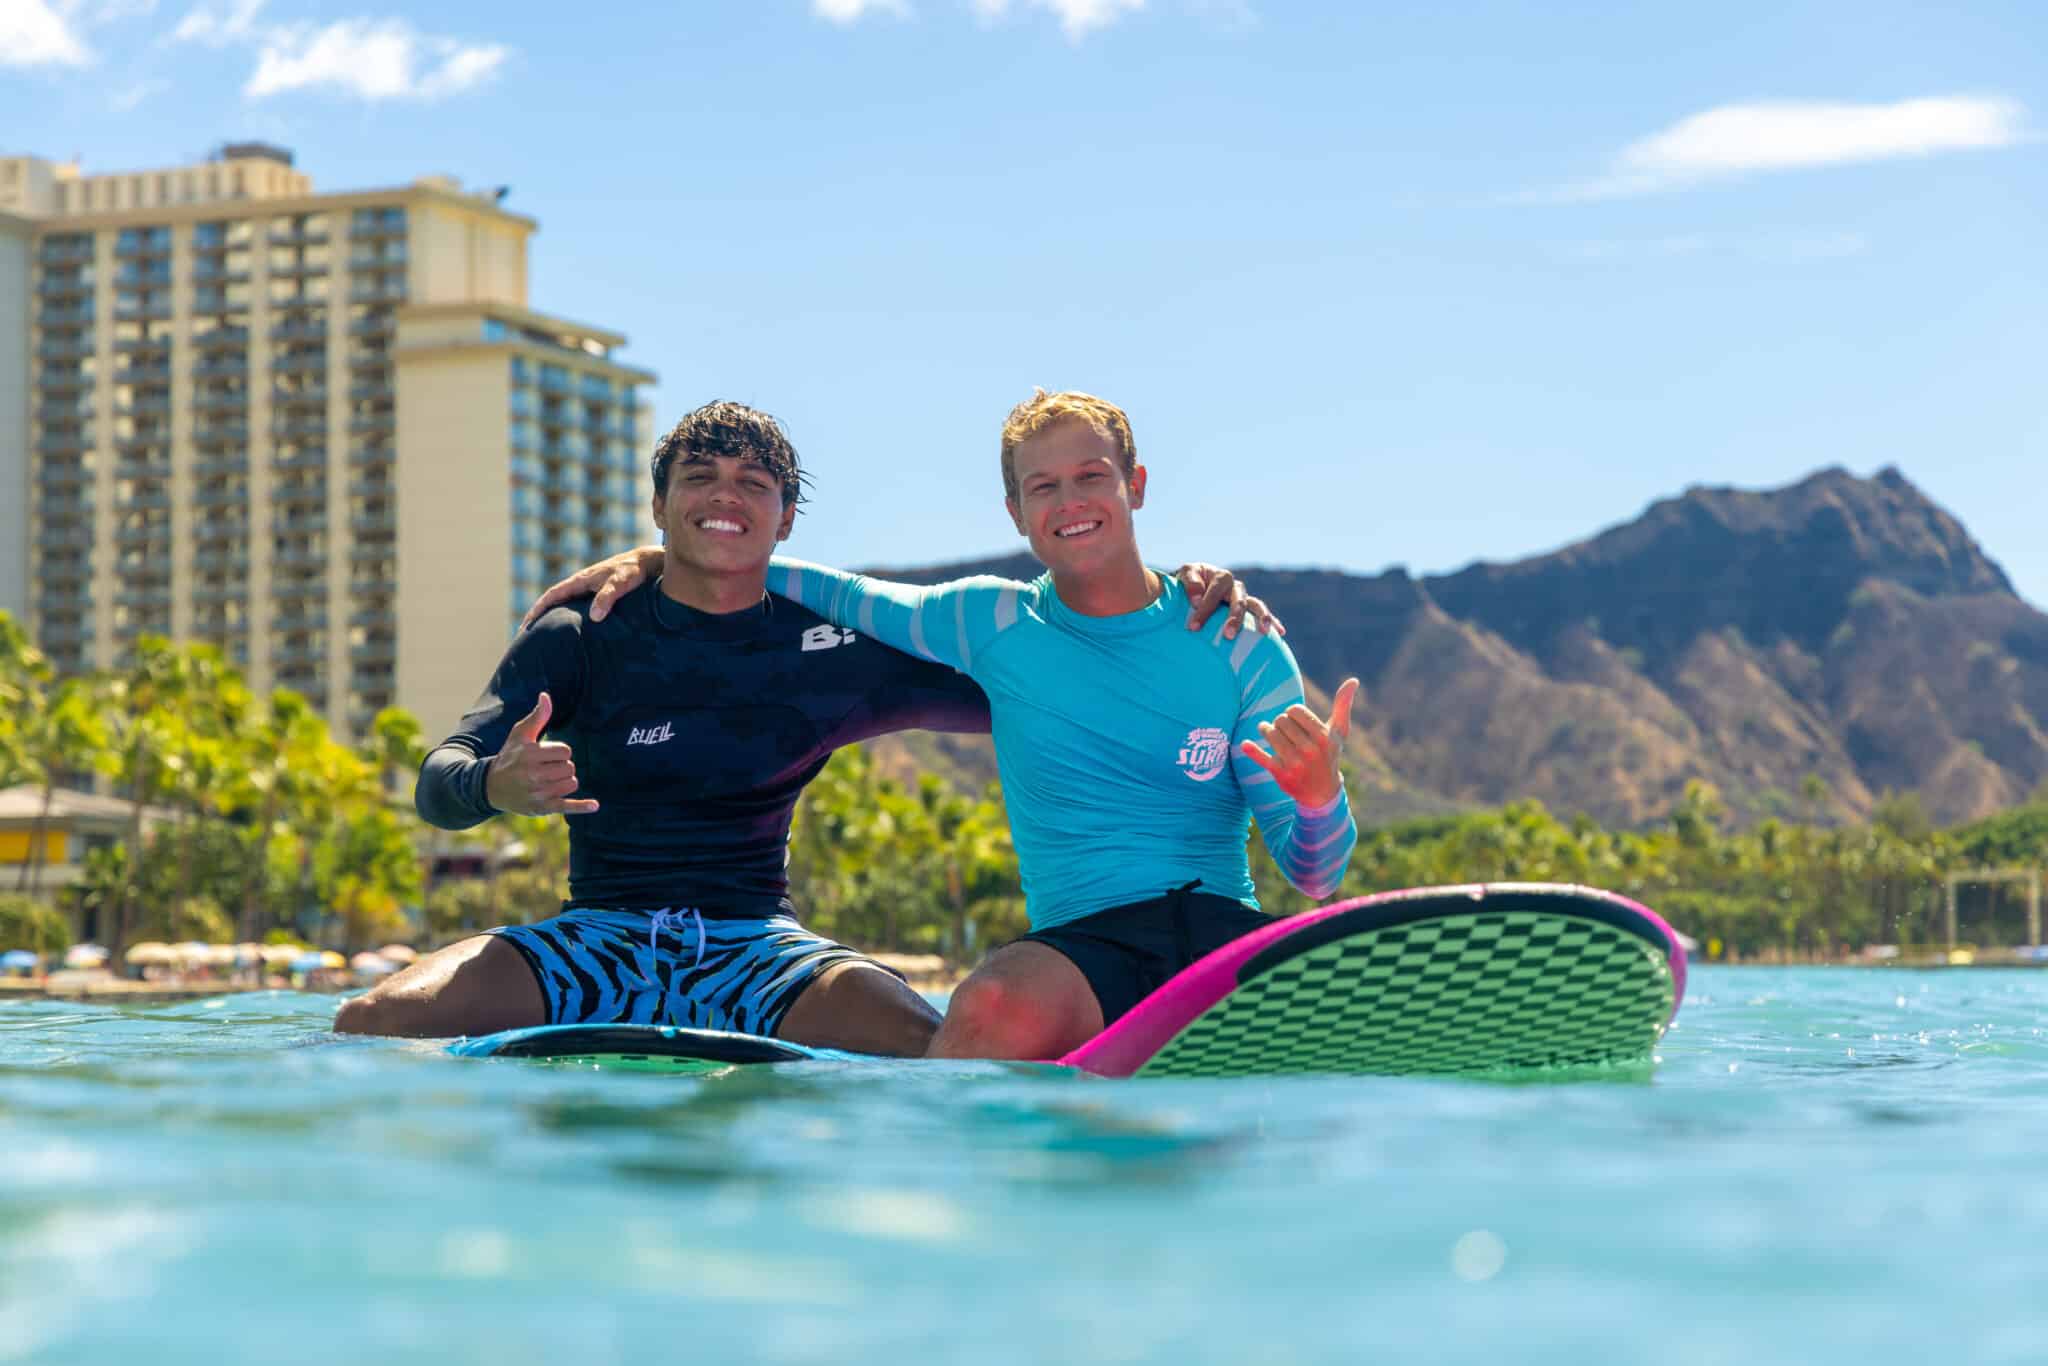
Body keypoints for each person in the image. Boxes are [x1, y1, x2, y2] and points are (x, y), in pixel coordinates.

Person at [335, 400, 1270, 1055]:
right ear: (660, 509)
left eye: (754, 483)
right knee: (374, 1021)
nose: (726, 496)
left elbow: (1055, 675)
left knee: (945, 1053)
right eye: (699, 479)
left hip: (759, 949)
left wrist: (1170, 612)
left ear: (786, 518)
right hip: (595, 934)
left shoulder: (836, 649)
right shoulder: (585, 631)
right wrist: (493, 785)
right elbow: (438, 778)